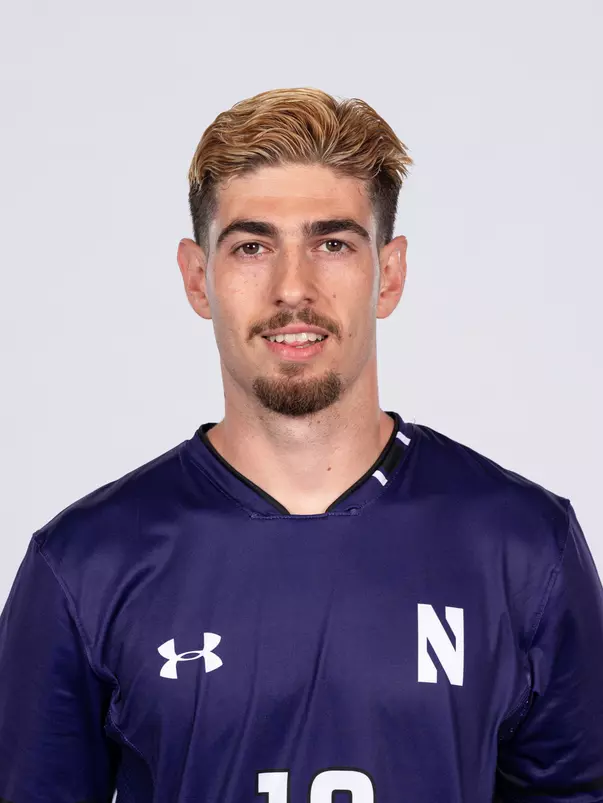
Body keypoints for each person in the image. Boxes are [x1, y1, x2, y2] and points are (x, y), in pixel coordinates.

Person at [1, 86, 602, 803]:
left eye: (332, 243)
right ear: (198, 278)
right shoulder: (85, 564)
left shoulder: (522, 547)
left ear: (389, 274)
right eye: (252, 246)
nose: (293, 287)